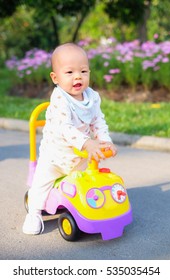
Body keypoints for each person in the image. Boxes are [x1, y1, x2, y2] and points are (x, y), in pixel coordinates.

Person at [22, 43, 117, 235]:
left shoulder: (92, 97)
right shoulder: (59, 99)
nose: (78, 77)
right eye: (70, 72)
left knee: (90, 184)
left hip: (80, 157)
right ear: (55, 78)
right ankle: (34, 213)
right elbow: (65, 128)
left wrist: (105, 141)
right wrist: (87, 142)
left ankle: (92, 210)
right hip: (55, 157)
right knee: (41, 184)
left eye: (83, 71)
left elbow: (98, 121)